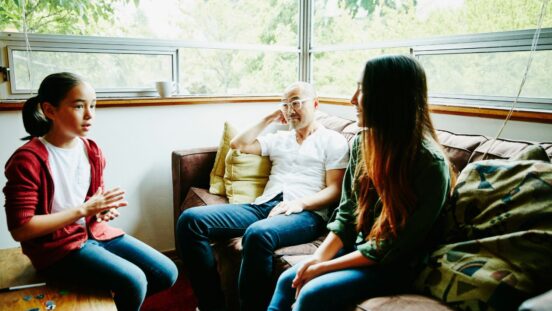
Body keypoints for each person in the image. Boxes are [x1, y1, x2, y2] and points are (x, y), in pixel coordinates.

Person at [268, 55, 456, 311]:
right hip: (358, 249)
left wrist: (324, 267)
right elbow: (347, 215)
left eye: (363, 90)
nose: (353, 99)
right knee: (288, 280)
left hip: (397, 266)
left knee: (313, 293)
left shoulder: (430, 164)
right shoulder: (361, 144)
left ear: (390, 99)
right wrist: (316, 259)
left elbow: (392, 248)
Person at [3, 72, 178, 311]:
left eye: (93, 105)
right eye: (78, 106)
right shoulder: (27, 160)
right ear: (49, 110)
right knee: (134, 281)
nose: (90, 115)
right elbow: (21, 229)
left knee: (167, 272)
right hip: (57, 250)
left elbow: (93, 201)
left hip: (95, 234)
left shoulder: (91, 149)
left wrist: (103, 210)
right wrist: (85, 209)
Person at [176, 81, 349, 311]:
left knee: (257, 234)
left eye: (296, 102)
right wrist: (269, 118)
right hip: (263, 205)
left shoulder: (332, 140)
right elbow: (238, 144)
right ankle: (212, 305)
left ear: (315, 104)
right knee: (190, 221)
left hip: (306, 213)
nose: (290, 109)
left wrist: (299, 203)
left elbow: (335, 189)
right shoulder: (280, 138)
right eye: (285, 104)